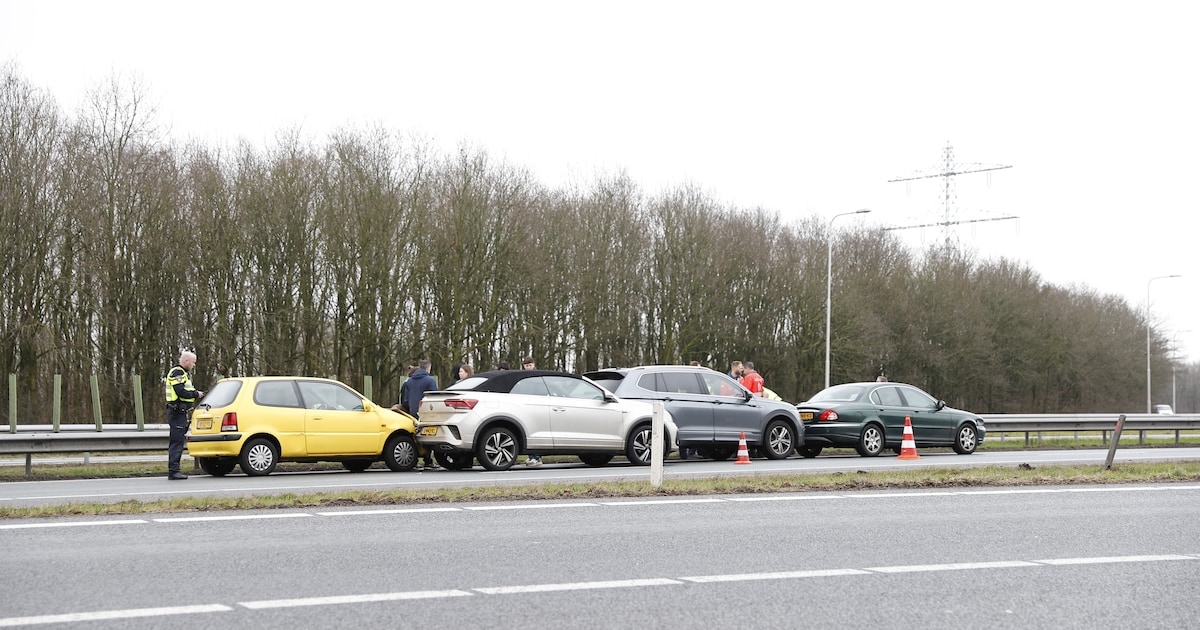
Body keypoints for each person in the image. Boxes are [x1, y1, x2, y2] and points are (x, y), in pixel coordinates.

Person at [164, 351, 204, 480]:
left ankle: (174, 470)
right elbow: (180, 391)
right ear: (186, 361)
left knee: (178, 441)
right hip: (176, 411)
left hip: (180, 411)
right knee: (177, 442)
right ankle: (173, 471)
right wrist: (196, 394)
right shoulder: (178, 372)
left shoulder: (184, 374)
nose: (194, 365)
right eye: (193, 362)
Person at [401, 360, 440, 470]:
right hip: (427, 412)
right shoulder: (430, 380)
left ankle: (414, 460)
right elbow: (434, 397)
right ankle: (428, 460)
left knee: (414, 436)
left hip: (412, 412)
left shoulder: (409, 382)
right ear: (428, 368)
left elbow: (405, 400)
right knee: (428, 435)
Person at [520, 357, 544, 467]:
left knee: (535, 431)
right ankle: (532, 456)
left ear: (533, 364)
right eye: (526, 365)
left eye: (530, 365)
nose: (528, 367)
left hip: (536, 405)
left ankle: (537, 457)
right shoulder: (524, 377)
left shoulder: (537, 377)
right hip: (528, 406)